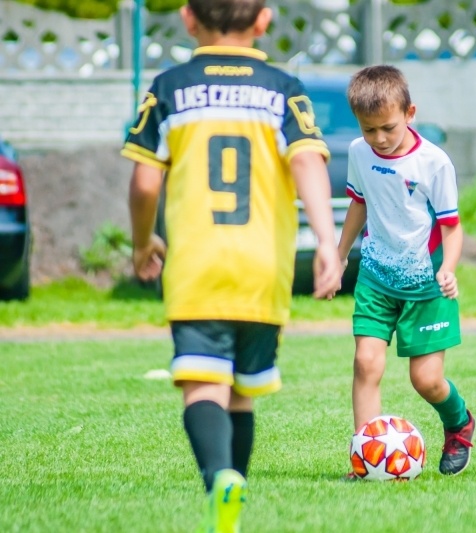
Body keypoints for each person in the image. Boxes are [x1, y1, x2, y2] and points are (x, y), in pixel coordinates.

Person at [122, 0, 340, 530]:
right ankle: (233, 504)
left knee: (204, 385)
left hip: (196, 262)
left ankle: (220, 477)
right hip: (264, 263)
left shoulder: (169, 86)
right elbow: (308, 160)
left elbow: (146, 181)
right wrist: (329, 243)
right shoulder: (283, 87)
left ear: (187, 17)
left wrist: (141, 241)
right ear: (263, 19)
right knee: (243, 391)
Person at [333, 65, 475, 477]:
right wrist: (341, 254)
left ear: (410, 113)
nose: (378, 138)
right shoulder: (360, 152)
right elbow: (358, 204)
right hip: (376, 278)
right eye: (368, 129)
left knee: (426, 380)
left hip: (427, 285)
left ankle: (459, 422)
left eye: (387, 128)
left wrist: (448, 268)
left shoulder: (434, 163)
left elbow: (452, 225)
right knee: (366, 363)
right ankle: (365, 461)